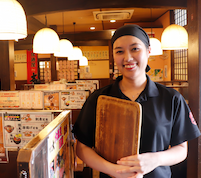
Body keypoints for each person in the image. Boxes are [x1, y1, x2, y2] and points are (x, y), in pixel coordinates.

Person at [73, 24, 201, 178]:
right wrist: (115, 171)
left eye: (135, 49)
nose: (127, 58)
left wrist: (154, 159)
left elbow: (181, 149)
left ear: (148, 51)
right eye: (119, 51)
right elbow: (82, 148)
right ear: (114, 56)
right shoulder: (99, 98)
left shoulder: (171, 98)